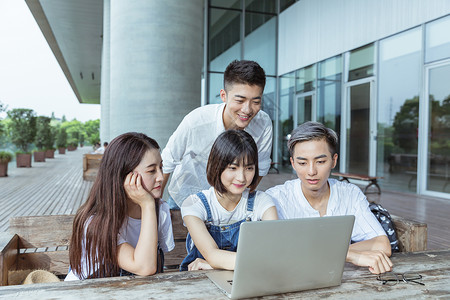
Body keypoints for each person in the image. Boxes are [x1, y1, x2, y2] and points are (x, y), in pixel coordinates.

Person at [266, 121, 393, 274]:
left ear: (334, 160)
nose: (311, 171)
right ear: (292, 163)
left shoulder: (350, 194)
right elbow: (274, 253)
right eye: (302, 162)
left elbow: (382, 244)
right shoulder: (276, 199)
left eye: (320, 161)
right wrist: (350, 255)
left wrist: (336, 254)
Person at [161, 60, 273, 209]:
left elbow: (261, 167)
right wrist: (155, 206)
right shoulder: (196, 122)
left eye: (255, 101)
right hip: (186, 199)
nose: (247, 109)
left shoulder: (263, 124)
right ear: (223, 96)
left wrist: (241, 202)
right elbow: (167, 162)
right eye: (240, 100)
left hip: (230, 203)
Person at [66, 132, 175, 280]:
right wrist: (147, 204)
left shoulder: (160, 210)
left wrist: (149, 206)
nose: (161, 177)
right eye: (151, 171)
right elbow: (145, 267)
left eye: (161, 167)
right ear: (124, 176)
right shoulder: (95, 223)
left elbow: (156, 264)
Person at [180, 130, 278, 271]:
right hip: (200, 282)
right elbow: (212, 255)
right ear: (217, 166)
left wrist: (210, 265)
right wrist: (261, 262)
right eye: (233, 168)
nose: (241, 177)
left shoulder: (263, 202)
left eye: (249, 168)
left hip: (248, 281)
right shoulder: (194, 204)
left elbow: (274, 253)